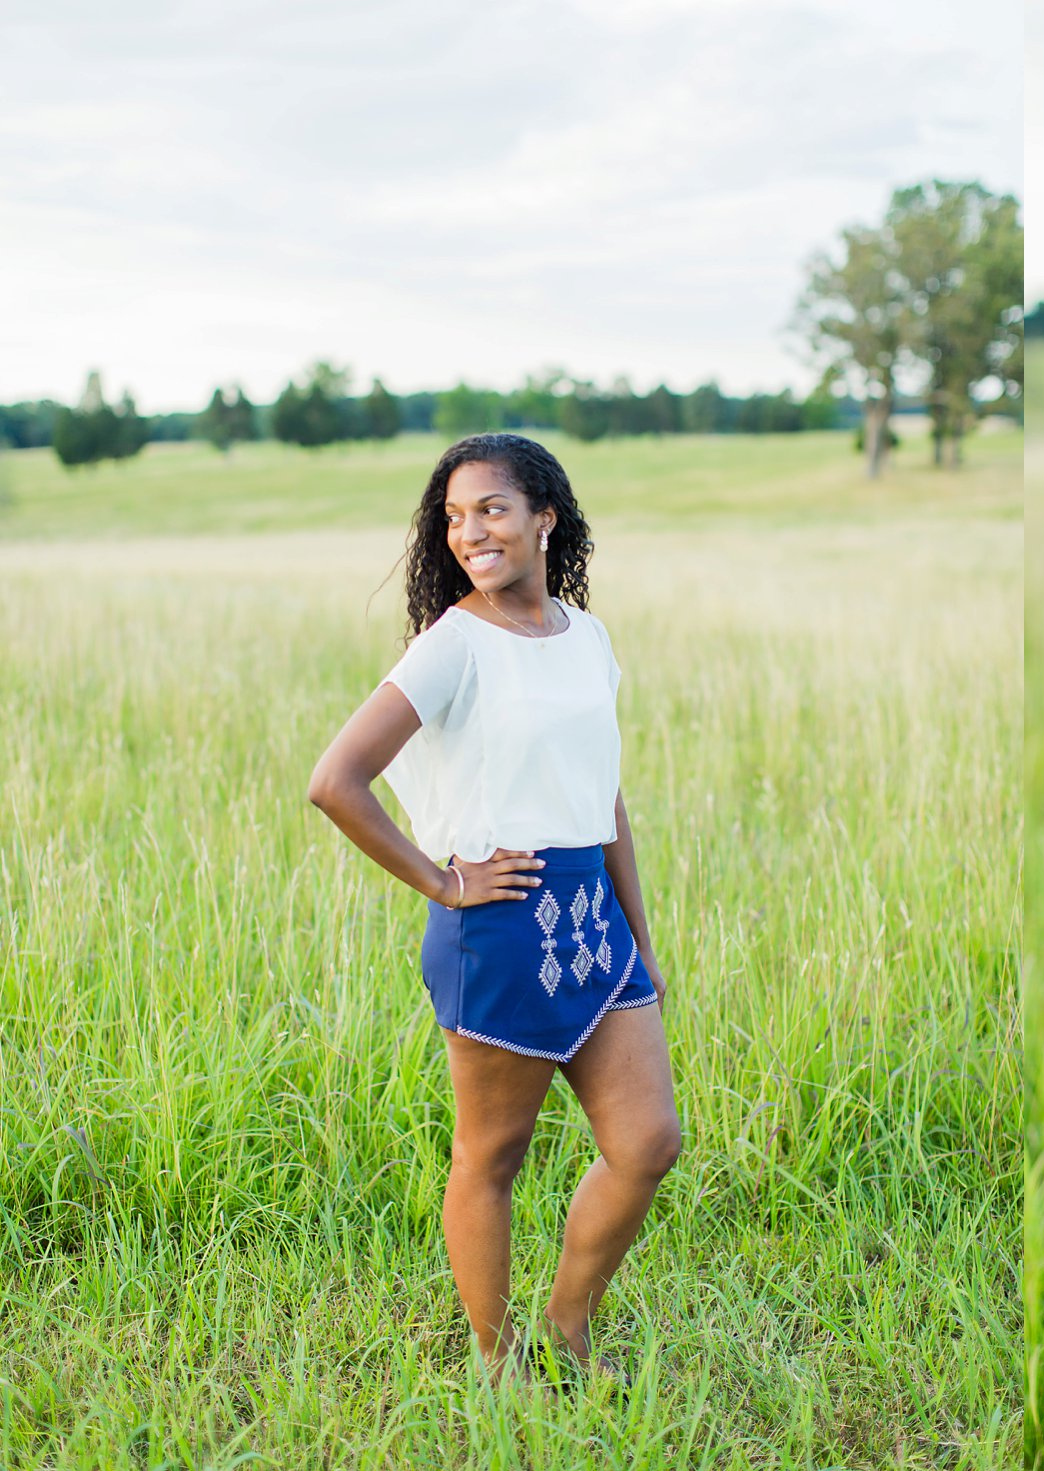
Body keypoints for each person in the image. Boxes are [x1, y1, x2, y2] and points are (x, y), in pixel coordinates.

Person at [308, 432, 679, 1388]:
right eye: (455, 516)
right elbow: (336, 780)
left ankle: (565, 1329)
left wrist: (640, 936)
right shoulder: (451, 646)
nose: (471, 531)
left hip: (596, 924)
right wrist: (443, 881)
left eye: (493, 509)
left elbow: (606, 798)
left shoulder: (586, 635)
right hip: (501, 927)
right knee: (492, 1153)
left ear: (544, 515)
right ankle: (493, 1354)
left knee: (647, 1144)